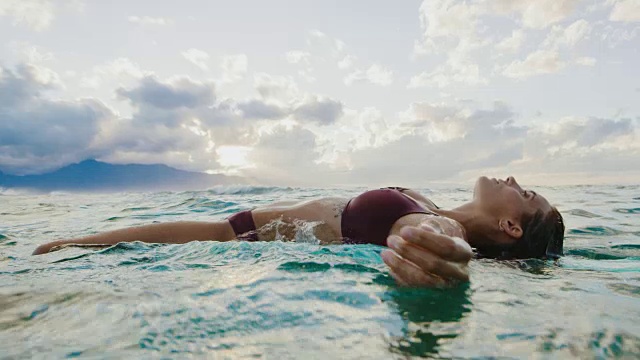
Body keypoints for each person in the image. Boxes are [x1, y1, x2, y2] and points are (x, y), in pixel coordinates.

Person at [32, 176, 565, 287]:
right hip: (244, 243)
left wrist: (439, 247)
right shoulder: (427, 203)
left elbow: (431, 233)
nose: (518, 181)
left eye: (527, 193)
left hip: (235, 241)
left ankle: (76, 245)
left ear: (510, 225)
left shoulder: (431, 219)